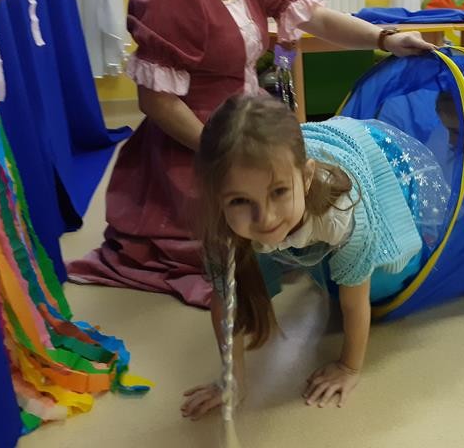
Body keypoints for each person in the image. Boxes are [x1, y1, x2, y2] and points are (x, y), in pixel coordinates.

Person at [66, 0, 434, 306]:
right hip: (198, 142)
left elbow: (317, 19)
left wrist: (386, 38)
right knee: (241, 233)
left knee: (302, 202)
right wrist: (222, 154)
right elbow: (157, 102)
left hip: (250, 125)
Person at [183, 95, 449, 417]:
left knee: (381, 281)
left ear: (307, 177)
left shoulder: (342, 213)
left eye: (279, 192)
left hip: (364, 152)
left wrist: (349, 367)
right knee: (271, 249)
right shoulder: (221, 232)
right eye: (239, 201)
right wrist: (232, 379)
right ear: (217, 198)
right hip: (302, 172)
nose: (265, 218)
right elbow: (227, 305)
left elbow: (355, 301)